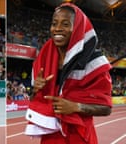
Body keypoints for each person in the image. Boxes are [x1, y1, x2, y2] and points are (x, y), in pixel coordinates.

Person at [25, 3, 112, 144]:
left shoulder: (94, 61)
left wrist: (75, 107)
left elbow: (106, 108)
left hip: (79, 136)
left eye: (65, 24)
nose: (57, 29)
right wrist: (35, 90)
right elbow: (34, 99)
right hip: (51, 136)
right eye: (54, 24)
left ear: (77, 28)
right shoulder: (44, 56)